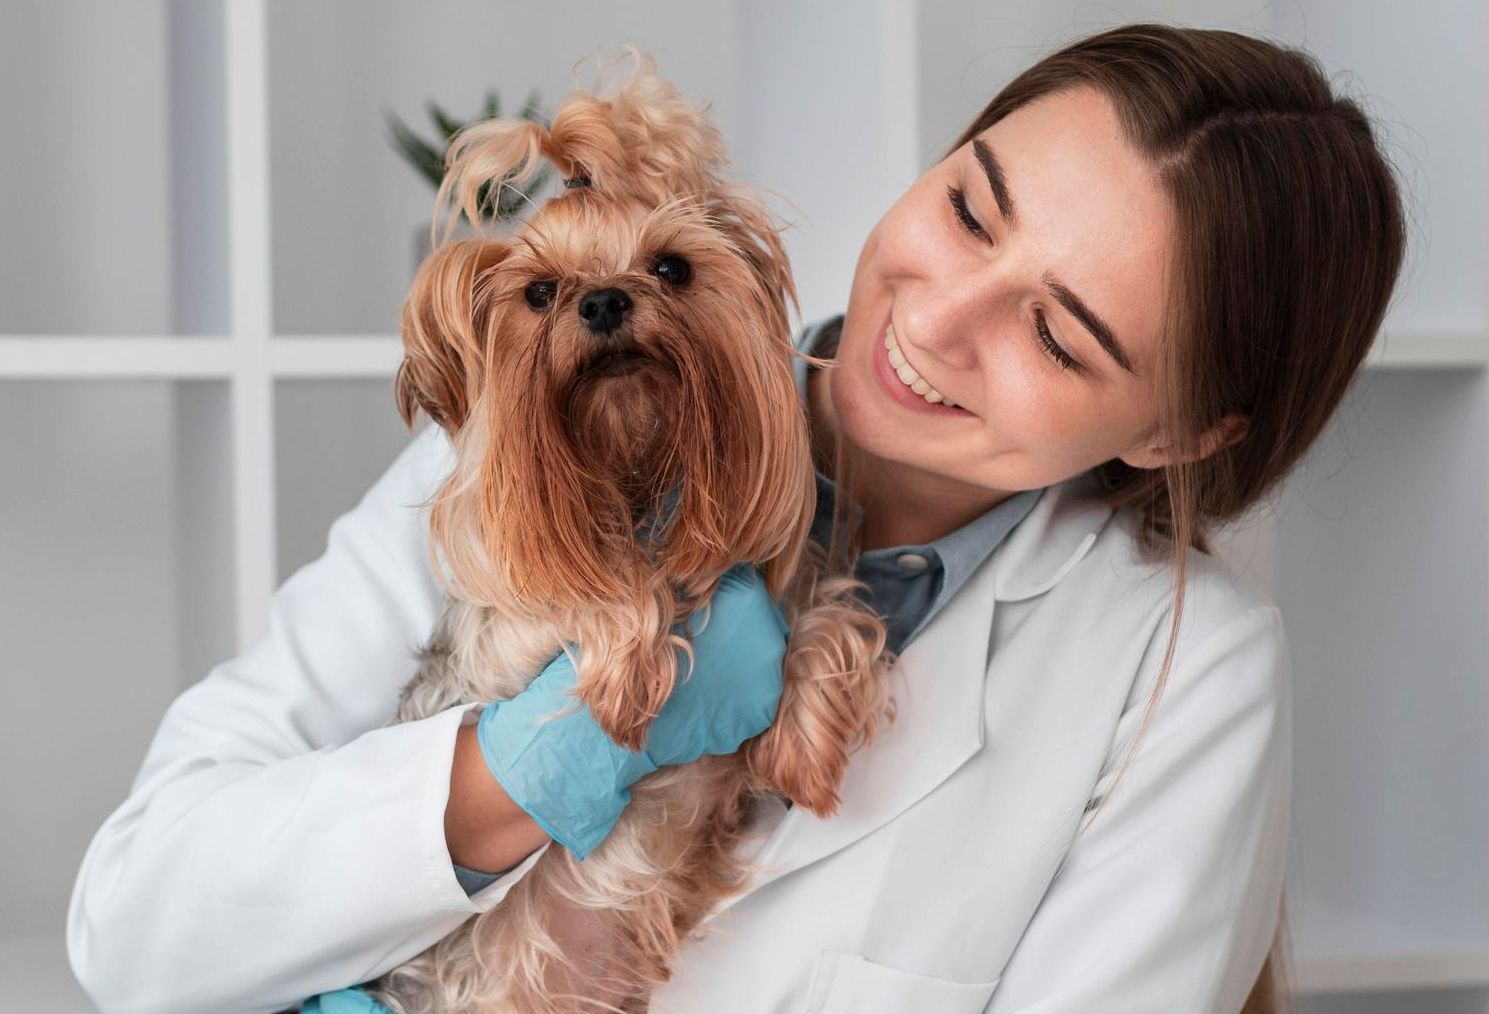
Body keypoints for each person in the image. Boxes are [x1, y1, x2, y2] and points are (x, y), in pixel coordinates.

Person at [67, 22, 1406, 1014]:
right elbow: (135, 921)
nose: (938, 320)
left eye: (1055, 335)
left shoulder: (1182, 674)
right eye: (966, 210)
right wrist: (524, 771)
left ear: (1176, 433)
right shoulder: (529, 448)